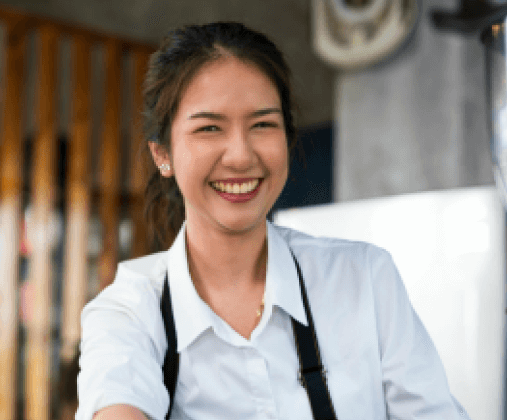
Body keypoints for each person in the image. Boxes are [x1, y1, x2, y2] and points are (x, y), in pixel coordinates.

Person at [76, 21, 470, 420]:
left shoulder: (364, 279)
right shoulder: (129, 310)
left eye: (262, 124)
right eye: (209, 128)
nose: (241, 156)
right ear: (163, 154)